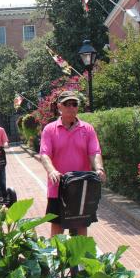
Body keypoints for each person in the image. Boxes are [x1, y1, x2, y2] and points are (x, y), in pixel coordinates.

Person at [39, 91, 106, 237]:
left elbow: (94, 152)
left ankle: (80, 259)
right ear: (59, 107)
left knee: (81, 227)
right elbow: (45, 154)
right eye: (67, 104)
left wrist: (99, 168)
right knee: (57, 229)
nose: (71, 107)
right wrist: (51, 171)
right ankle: (59, 259)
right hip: (58, 187)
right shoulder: (50, 129)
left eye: (74, 104)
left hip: (82, 187)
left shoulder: (87, 129)